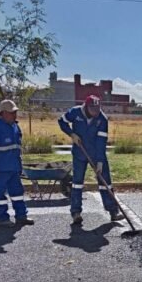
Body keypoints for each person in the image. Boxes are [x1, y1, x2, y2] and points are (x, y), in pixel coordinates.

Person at [58, 95, 123, 224]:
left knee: (106, 182)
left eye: (98, 109)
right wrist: (72, 134)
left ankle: (113, 211)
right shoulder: (75, 112)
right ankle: (76, 212)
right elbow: (62, 121)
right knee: (77, 183)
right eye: (93, 109)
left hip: (96, 153)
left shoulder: (102, 119)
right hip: (79, 153)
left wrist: (99, 162)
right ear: (86, 107)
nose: (96, 112)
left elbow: (101, 142)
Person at [0, 99, 34, 227]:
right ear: (3, 113)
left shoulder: (15, 126)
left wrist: (19, 165)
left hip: (14, 168)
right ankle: (3, 219)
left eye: (15, 112)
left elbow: (17, 148)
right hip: (0, 169)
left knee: (17, 193)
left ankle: (21, 216)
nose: (14, 115)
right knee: (0, 195)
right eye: (12, 113)